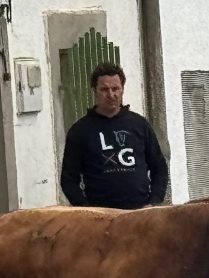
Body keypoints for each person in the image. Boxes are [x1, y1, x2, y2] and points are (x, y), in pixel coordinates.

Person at [59, 63, 168, 208]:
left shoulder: (140, 125)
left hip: (141, 212)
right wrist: (86, 209)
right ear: (95, 91)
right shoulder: (80, 131)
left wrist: (153, 202)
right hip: (100, 216)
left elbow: (159, 168)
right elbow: (68, 180)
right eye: (104, 89)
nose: (111, 95)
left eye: (115, 88)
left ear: (122, 89)